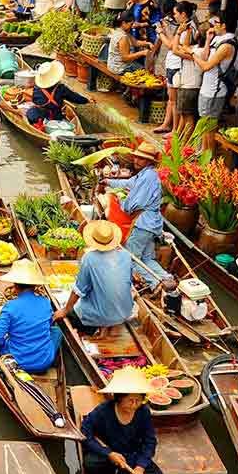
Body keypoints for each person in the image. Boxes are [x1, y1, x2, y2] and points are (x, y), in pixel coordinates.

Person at [81, 368, 163, 474]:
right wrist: (108, 453)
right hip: (107, 455)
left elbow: (150, 441)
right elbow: (85, 432)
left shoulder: (143, 412)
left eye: (138, 400)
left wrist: (140, 467)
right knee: (91, 464)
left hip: (130, 456)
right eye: (130, 400)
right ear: (119, 398)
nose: (135, 405)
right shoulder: (103, 411)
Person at [53, 220, 133, 338]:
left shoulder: (89, 258)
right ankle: (104, 325)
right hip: (124, 313)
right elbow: (127, 283)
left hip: (100, 315)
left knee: (72, 312)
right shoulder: (126, 255)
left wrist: (65, 310)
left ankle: (95, 326)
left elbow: (79, 290)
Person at [104, 142, 168, 288]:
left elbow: (131, 206)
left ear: (149, 162)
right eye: (136, 157)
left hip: (144, 224)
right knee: (147, 259)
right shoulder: (144, 175)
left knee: (131, 259)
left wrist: (120, 200)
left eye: (141, 159)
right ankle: (167, 278)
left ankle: (156, 283)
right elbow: (127, 183)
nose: (136, 161)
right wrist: (108, 181)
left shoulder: (148, 177)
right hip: (152, 224)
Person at [0, 260, 61, 373]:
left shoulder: (10, 307)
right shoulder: (46, 302)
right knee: (57, 331)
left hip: (17, 362)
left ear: (15, 286)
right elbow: (47, 325)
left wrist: (4, 343)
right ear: (34, 286)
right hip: (44, 362)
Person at [189, 9, 238, 150]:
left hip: (214, 91)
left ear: (224, 25)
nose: (213, 25)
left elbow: (205, 66)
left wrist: (192, 53)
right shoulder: (218, 40)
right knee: (204, 125)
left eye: (216, 23)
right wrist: (208, 40)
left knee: (208, 128)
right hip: (208, 88)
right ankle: (202, 155)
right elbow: (205, 57)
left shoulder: (226, 45)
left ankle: (207, 159)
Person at [156, 0, 196, 134]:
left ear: (183, 14)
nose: (174, 16)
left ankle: (174, 129)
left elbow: (172, 47)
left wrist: (161, 33)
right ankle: (167, 124)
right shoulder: (183, 26)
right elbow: (173, 44)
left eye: (175, 13)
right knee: (171, 99)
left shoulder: (187, 29)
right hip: (173, 65)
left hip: (177, 66)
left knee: (174, 101)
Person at [26, 60, 89, 125]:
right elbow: (75, 98)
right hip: (54, 117)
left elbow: (34, 99)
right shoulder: (61, 89)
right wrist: (87, 100)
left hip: (35, 115)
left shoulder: (37, 87)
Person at [108, 11, 151, 75]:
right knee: (145, 72)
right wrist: (142, 53)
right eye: (131, 24)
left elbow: (135, 42)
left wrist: (148, 43)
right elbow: (125, 58)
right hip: (119, 68)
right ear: (123, 23)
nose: (132, 26)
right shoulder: (123, 37)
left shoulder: (119, 30)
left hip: (113, 65)